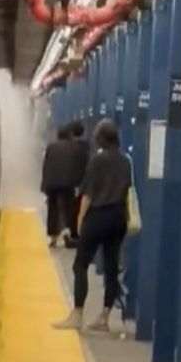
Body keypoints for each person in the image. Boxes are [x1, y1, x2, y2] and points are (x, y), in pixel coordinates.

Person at [54, 119, 132, 332]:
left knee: (80, 264)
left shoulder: (97, 161)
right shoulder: (125, 161)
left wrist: (80, 218)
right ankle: (105, 317)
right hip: (118, 218)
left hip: (98, 216)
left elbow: (87, 193)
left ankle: (77, 314)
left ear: (100, 139)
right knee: (111, 267)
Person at [40, 121, 88, 247]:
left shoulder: (51, 147)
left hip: (52, 182)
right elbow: (77, 167)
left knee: (52, 209)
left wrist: (44, 185)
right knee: (68, 208)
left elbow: (46, 166)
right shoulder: (74, 147)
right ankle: (67, 230)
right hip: (67, 183)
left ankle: (53, 237)